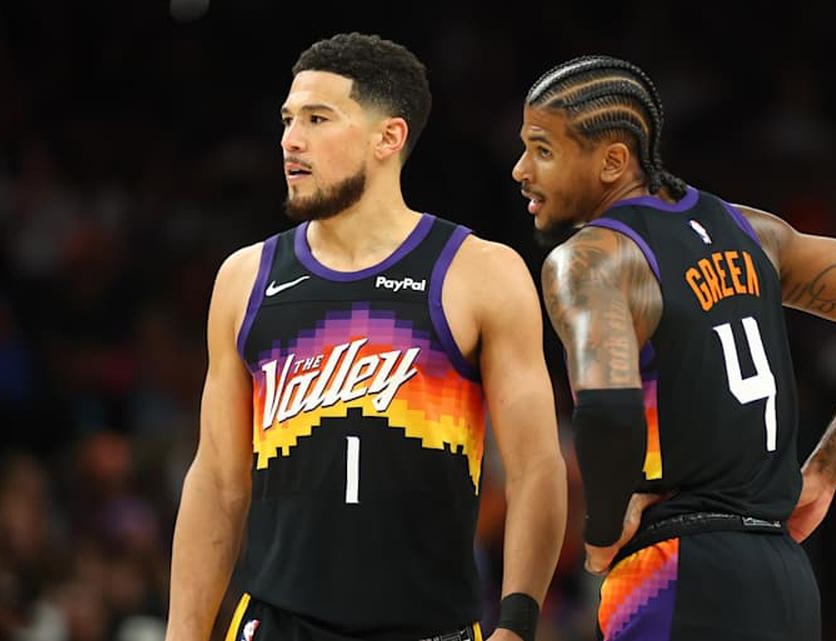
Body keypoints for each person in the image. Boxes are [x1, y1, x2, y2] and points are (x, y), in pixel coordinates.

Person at [511, 55, 836, 640]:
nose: (521, 169)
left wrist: (602, 529)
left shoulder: (593, 259)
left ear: (612, 161)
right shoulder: (755, 232)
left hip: (676, 570)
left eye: (542, 149)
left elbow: (609, 406)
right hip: (785, 574)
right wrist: (823, 474)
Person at [165, 33, 566, 641]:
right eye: (288, 119)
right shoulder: (244, 278)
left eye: (318, 119)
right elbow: (218, 482)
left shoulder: (479, 272)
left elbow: (536, 468)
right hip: (278, 625)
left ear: (389, 138)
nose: (290, 140)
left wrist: (515, 624)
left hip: (431, 626)